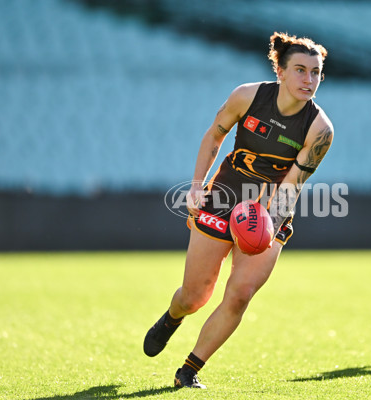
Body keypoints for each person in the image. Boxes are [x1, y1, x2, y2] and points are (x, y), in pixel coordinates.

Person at [143, 31, 334, 389]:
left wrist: (267, 225)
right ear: (280, 71)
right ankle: (172, 317)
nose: (309, 80)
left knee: (241, 293)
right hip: (224, 195)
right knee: (195, 295)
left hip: (270, 210)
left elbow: (292, 185)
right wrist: (198, 187)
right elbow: (213, 138)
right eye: (300, 70)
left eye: (316, 72)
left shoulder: (320, 130)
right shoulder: (246, 96)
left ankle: (189, 370)